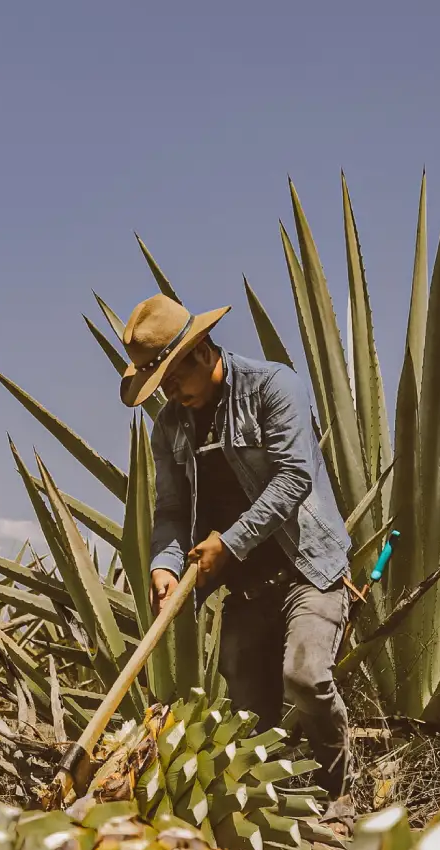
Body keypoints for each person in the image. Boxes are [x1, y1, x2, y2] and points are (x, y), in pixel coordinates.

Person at [119, 291, 352, 807]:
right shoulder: (169, 428)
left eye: (173, 378)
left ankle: (339, 798)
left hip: (308, 570)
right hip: (246, 589)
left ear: (202, 351)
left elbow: (294, 478)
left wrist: (229, 542)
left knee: (305, 678)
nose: (169, 393)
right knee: (247, 716)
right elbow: (172, 511)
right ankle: (275, 815)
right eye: (160, 385)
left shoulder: (274, 387)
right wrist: (164, 564)